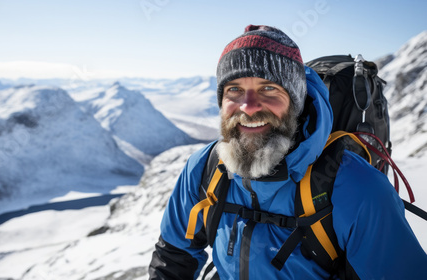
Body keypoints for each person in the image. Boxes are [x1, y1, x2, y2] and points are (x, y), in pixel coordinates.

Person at [148, 25, 427, 279]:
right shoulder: (204, 169)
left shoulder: (358, 188)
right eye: (234, 89)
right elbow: (173, 258)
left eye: (268, 88)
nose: (249, 106)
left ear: (295, 101)